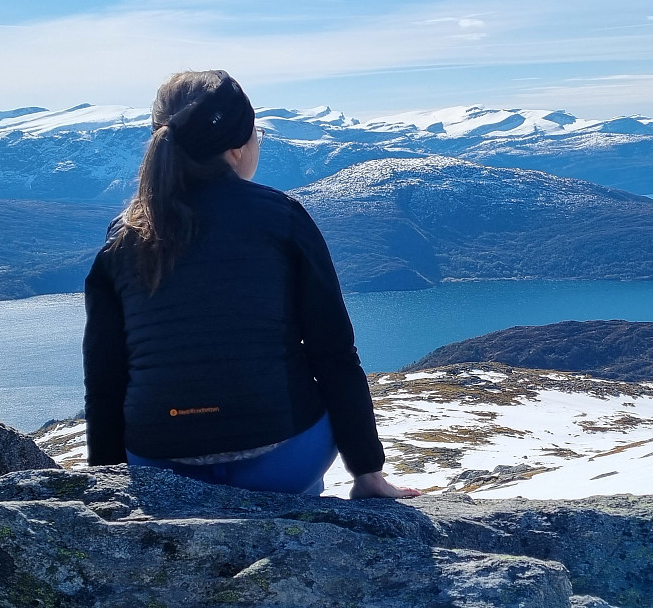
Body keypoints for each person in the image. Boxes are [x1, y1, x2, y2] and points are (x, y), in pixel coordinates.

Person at [83, 70, 418, 499]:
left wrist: (108, 488)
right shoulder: (281, 217)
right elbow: (333, 353)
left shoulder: (126, 234)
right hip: (284, 459)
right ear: (238, 148)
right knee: (294, 459)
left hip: (159, 463)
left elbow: (105, 374)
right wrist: (368, 473)